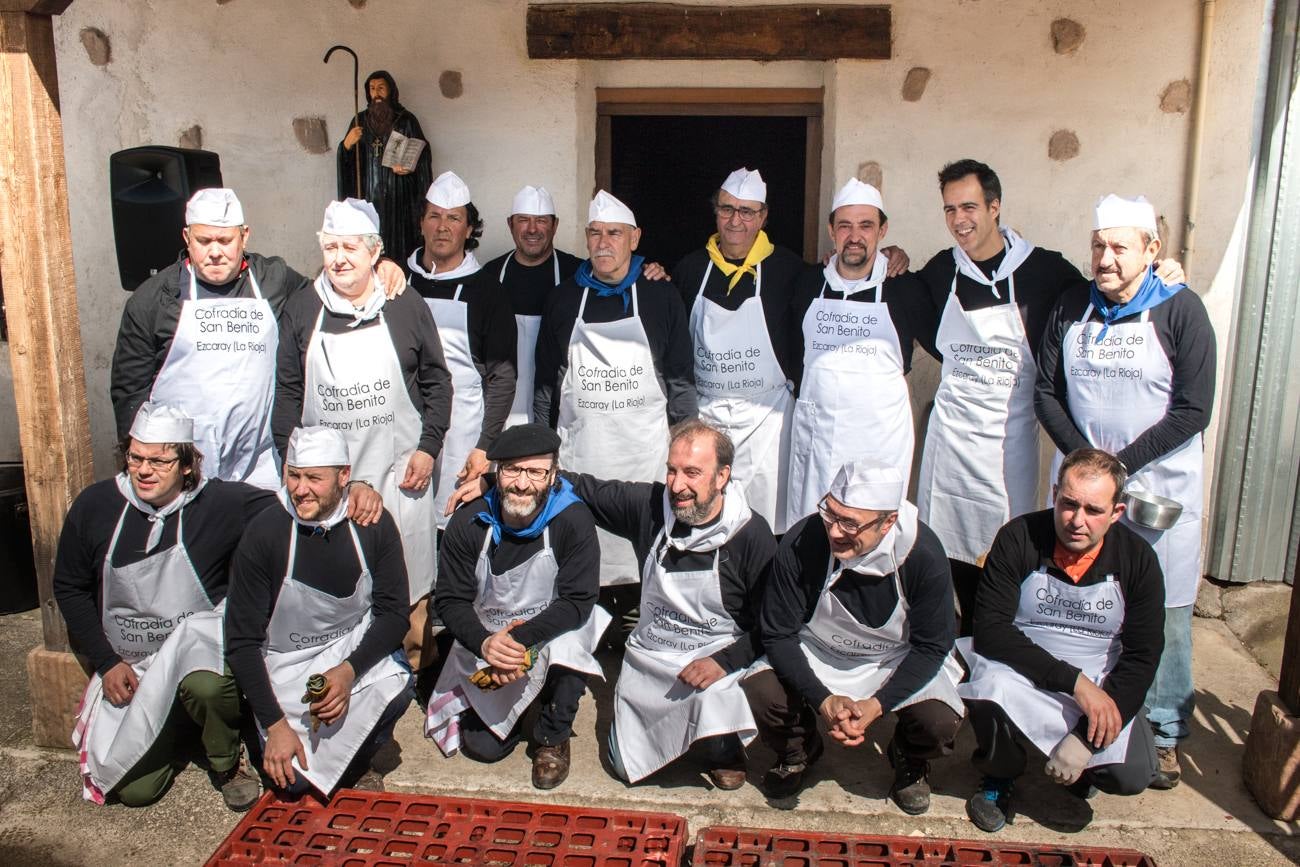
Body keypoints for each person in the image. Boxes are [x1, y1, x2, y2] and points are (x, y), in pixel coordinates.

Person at [53, 403, 382, 809]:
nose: (143, 470)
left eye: (159, 460)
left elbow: (302, 497)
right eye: (135, 457)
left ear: (187, 465)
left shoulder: (221, 502)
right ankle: (179, 733)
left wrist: (357, 487)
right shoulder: (96, 505)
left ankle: (226, 760)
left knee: (207, 688)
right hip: (131, 668)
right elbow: (68, 587)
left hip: (196, 660)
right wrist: (105, 661)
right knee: (136, 792)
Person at [914, 161, 1181, 635]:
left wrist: (1156, 275)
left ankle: (990, 641)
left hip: (1008, 442)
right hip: (950, 440)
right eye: (950, 209)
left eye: (970, 206)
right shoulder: (940, 272)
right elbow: (916, 318)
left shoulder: (1045, 271)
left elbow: (1108, 291)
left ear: (995, 207)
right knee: (944, 555)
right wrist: (890, 256)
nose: (960, 219)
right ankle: (949, 650)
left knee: (1003, 554)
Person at [1035, 194, 1215, 791]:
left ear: (1151, 251)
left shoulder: (1180, 311)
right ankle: (1077, 712)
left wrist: (1120, 464)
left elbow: (1193, 410)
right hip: (1087, 493)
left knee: (1161, 611)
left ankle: (1163, 732)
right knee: (1081, 602)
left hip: (1158, 490)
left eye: (1119, 247)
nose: (1105, 258)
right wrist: (1086, 464)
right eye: (1098, 245)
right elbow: (1048, 392)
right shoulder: (1071, 306)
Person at [110, 188, 405, 489]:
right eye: (203, 241)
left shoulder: (273, 280)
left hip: (260, 466)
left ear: (244, 236)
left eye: (225, 241)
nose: (214, 252)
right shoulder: (151, 300)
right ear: (186, 238)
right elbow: (130, 391)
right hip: (179, 467)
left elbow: (329, 291)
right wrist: (145, 463)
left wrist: (376, 266)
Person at [272, 198, 452, 672]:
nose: (339, 258)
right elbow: (288, 392)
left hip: (399, 470)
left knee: (409, 577)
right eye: (330, 247)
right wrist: (293, 467)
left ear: (375, 252)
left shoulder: (405, 305)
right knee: (339, 577)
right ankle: (345, 666)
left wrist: (429, 449)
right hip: (324, 479)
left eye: (350, 247)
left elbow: (437, 381)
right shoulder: (302, 307)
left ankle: (413, 668)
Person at [958, 449, 1164, 832]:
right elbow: (991, 630)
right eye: (1069, 504)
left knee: (1130, 775)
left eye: (1093, 510)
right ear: (1054, 495)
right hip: (1025, 666)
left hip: (1100, 677)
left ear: (1116, 513)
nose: (1077, 521)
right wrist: (1074, 683)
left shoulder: (1139, 560)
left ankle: (1084, 767)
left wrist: (1088, 739)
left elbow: (1143, 654)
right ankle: (1000, 772)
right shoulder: (1019, 537)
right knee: (989, 683)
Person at [745, 459, 963, 814]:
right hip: (819, 649)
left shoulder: (923, 555)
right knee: (762, 692)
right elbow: (779, 634)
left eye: (849, 523)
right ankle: (798, 750)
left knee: (938, 721)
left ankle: (909, 756)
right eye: (830, 513)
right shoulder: (805, 540)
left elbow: (932, 646)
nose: (834, 531)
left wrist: (876, 705)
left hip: (892, 658)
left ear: (888, 521)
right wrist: (823, 700)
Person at [225, 426, 413, 797]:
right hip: (285, 662)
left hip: (345, 649)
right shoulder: (265, 533)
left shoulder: (372, 525)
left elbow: (394, 615)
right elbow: (241, 641)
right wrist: (275, 724)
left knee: (397, 687)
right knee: (292, 786)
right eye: (293, 476)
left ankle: (362, 760)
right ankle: (256, 734)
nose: (301, 489)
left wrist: (348, 672)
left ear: (344, 477)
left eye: (314, 478)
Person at [424, 424, 607, 789]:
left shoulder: (572, 519)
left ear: (553, 475)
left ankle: (553, 735)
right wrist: (486, 644)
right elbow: (451, 599)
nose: (522, 484)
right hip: (487, 635)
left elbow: (578, 601)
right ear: (496, 473)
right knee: (483, 749)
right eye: (512, 470)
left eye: (536, 472)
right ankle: (517, 707)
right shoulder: (469, 521)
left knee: (576, 643)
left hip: (547, 633)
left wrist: (519, 644)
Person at [534, 190, 696, 588]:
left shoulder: (660, 294)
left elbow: (679, 375)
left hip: (644, 454)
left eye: (614, 233)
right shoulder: (564, 298)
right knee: (582, 552)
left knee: (646, 549)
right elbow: (546, 382)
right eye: (594, 233)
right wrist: (541, 445)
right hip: (582, 452)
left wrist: (686, 441)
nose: (603, 242)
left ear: (635, 238)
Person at [783, 179, 926, 531]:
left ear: (883, 230)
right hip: (819, 436)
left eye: (866, 225)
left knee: (869, 529)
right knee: (813, 529)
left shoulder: (904, 286)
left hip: (878, 436)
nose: (855, 236)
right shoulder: (806, 282)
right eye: (845, 225)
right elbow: (789, 349)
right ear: (831, 231)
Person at [672, 169, 805, 534]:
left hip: (769, 421)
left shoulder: (790, 270)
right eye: (727, 209)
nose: (735, 220)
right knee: (707, 518)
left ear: (763, 217)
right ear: (715, 212)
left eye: (747, 211)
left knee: (766, 522)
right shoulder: (690, 269)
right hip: (706, 415)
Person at [405, 171, 516, 521]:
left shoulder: (487, 292)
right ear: (421, 223)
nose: (442, 226)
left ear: (469, 230)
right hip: (404, 430)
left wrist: (486, 445)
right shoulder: (398, 282)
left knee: (452, 527)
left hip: (461, 435)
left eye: (454, 218)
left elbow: (502, 378)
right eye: (434, 216)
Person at [483, 185, 584, 427]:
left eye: (541, 221)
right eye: (523, 220)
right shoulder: (489, 275)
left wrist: (648, 271)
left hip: (557, 396)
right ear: (510, 224)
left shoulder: (578, 273)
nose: (532, 229)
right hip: (503, 397)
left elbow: (617, 278)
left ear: (555, 225)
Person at [337, 70, 432, 266]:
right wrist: (346, 145)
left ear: (391, 90)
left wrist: (409, 168)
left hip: (399, 200)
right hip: (368, 195)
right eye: (372, 89)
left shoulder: (406, 120)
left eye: (381, 88)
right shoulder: (359, 121)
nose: (377, 93)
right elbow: (347, 163)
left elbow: (422, 154)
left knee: (399, 246)